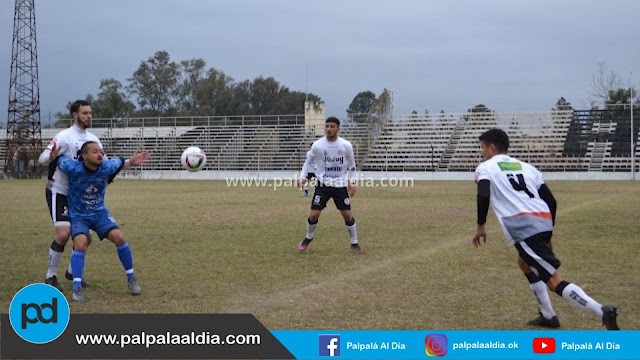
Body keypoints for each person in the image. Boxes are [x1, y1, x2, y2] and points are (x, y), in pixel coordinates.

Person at [472, 128, 619, 330]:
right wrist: (548, 232)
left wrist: (481, 225)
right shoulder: (528, 167)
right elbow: (551, 201)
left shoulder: (486, 167)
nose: (482, 152)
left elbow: (483, 195)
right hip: (541, 221)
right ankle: (549, 316)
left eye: (483, 147)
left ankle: (601, 310)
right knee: (524, 263)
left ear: (491, 147)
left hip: (523, 226)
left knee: (553, 280)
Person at [53, 141, 150, 302]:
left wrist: (131, 162)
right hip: (78, 215)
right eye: (95, 151)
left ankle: (131, 278)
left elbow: (119, 161)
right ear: (84, 156)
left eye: (101, 152)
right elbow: (58, 159)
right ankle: (77, 287)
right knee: (81, 243)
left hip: (99, 213)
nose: (100, 155)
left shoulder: (107, 167)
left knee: (119, 238)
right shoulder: (73, 168)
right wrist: (53, 155)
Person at [38, 100, 106, 291]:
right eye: (85, 113)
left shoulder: (93, 139)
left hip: (80, 196)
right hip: (59, 191)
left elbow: (106, 163)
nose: (89, 116)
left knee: (86, 238)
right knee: (63, 233)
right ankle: (50, 276)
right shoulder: (64, 136)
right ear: (75, 115)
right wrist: (49, 156)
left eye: (90, 113)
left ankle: (71, 271)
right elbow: (43, 157)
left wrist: (125, 164)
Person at [298, 117, 362, 254]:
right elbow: (308, 162)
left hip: (339, 185)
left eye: (332, 126)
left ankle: (354, 243)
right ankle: (308, 237)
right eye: (327, 126)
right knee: (314, 214)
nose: (329, 129)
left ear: (338, 128)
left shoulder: (346, 145)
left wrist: (353, 181)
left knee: (347, 215)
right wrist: (302, 176)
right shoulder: (317, 145)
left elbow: (352, 165)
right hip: (322, 185)